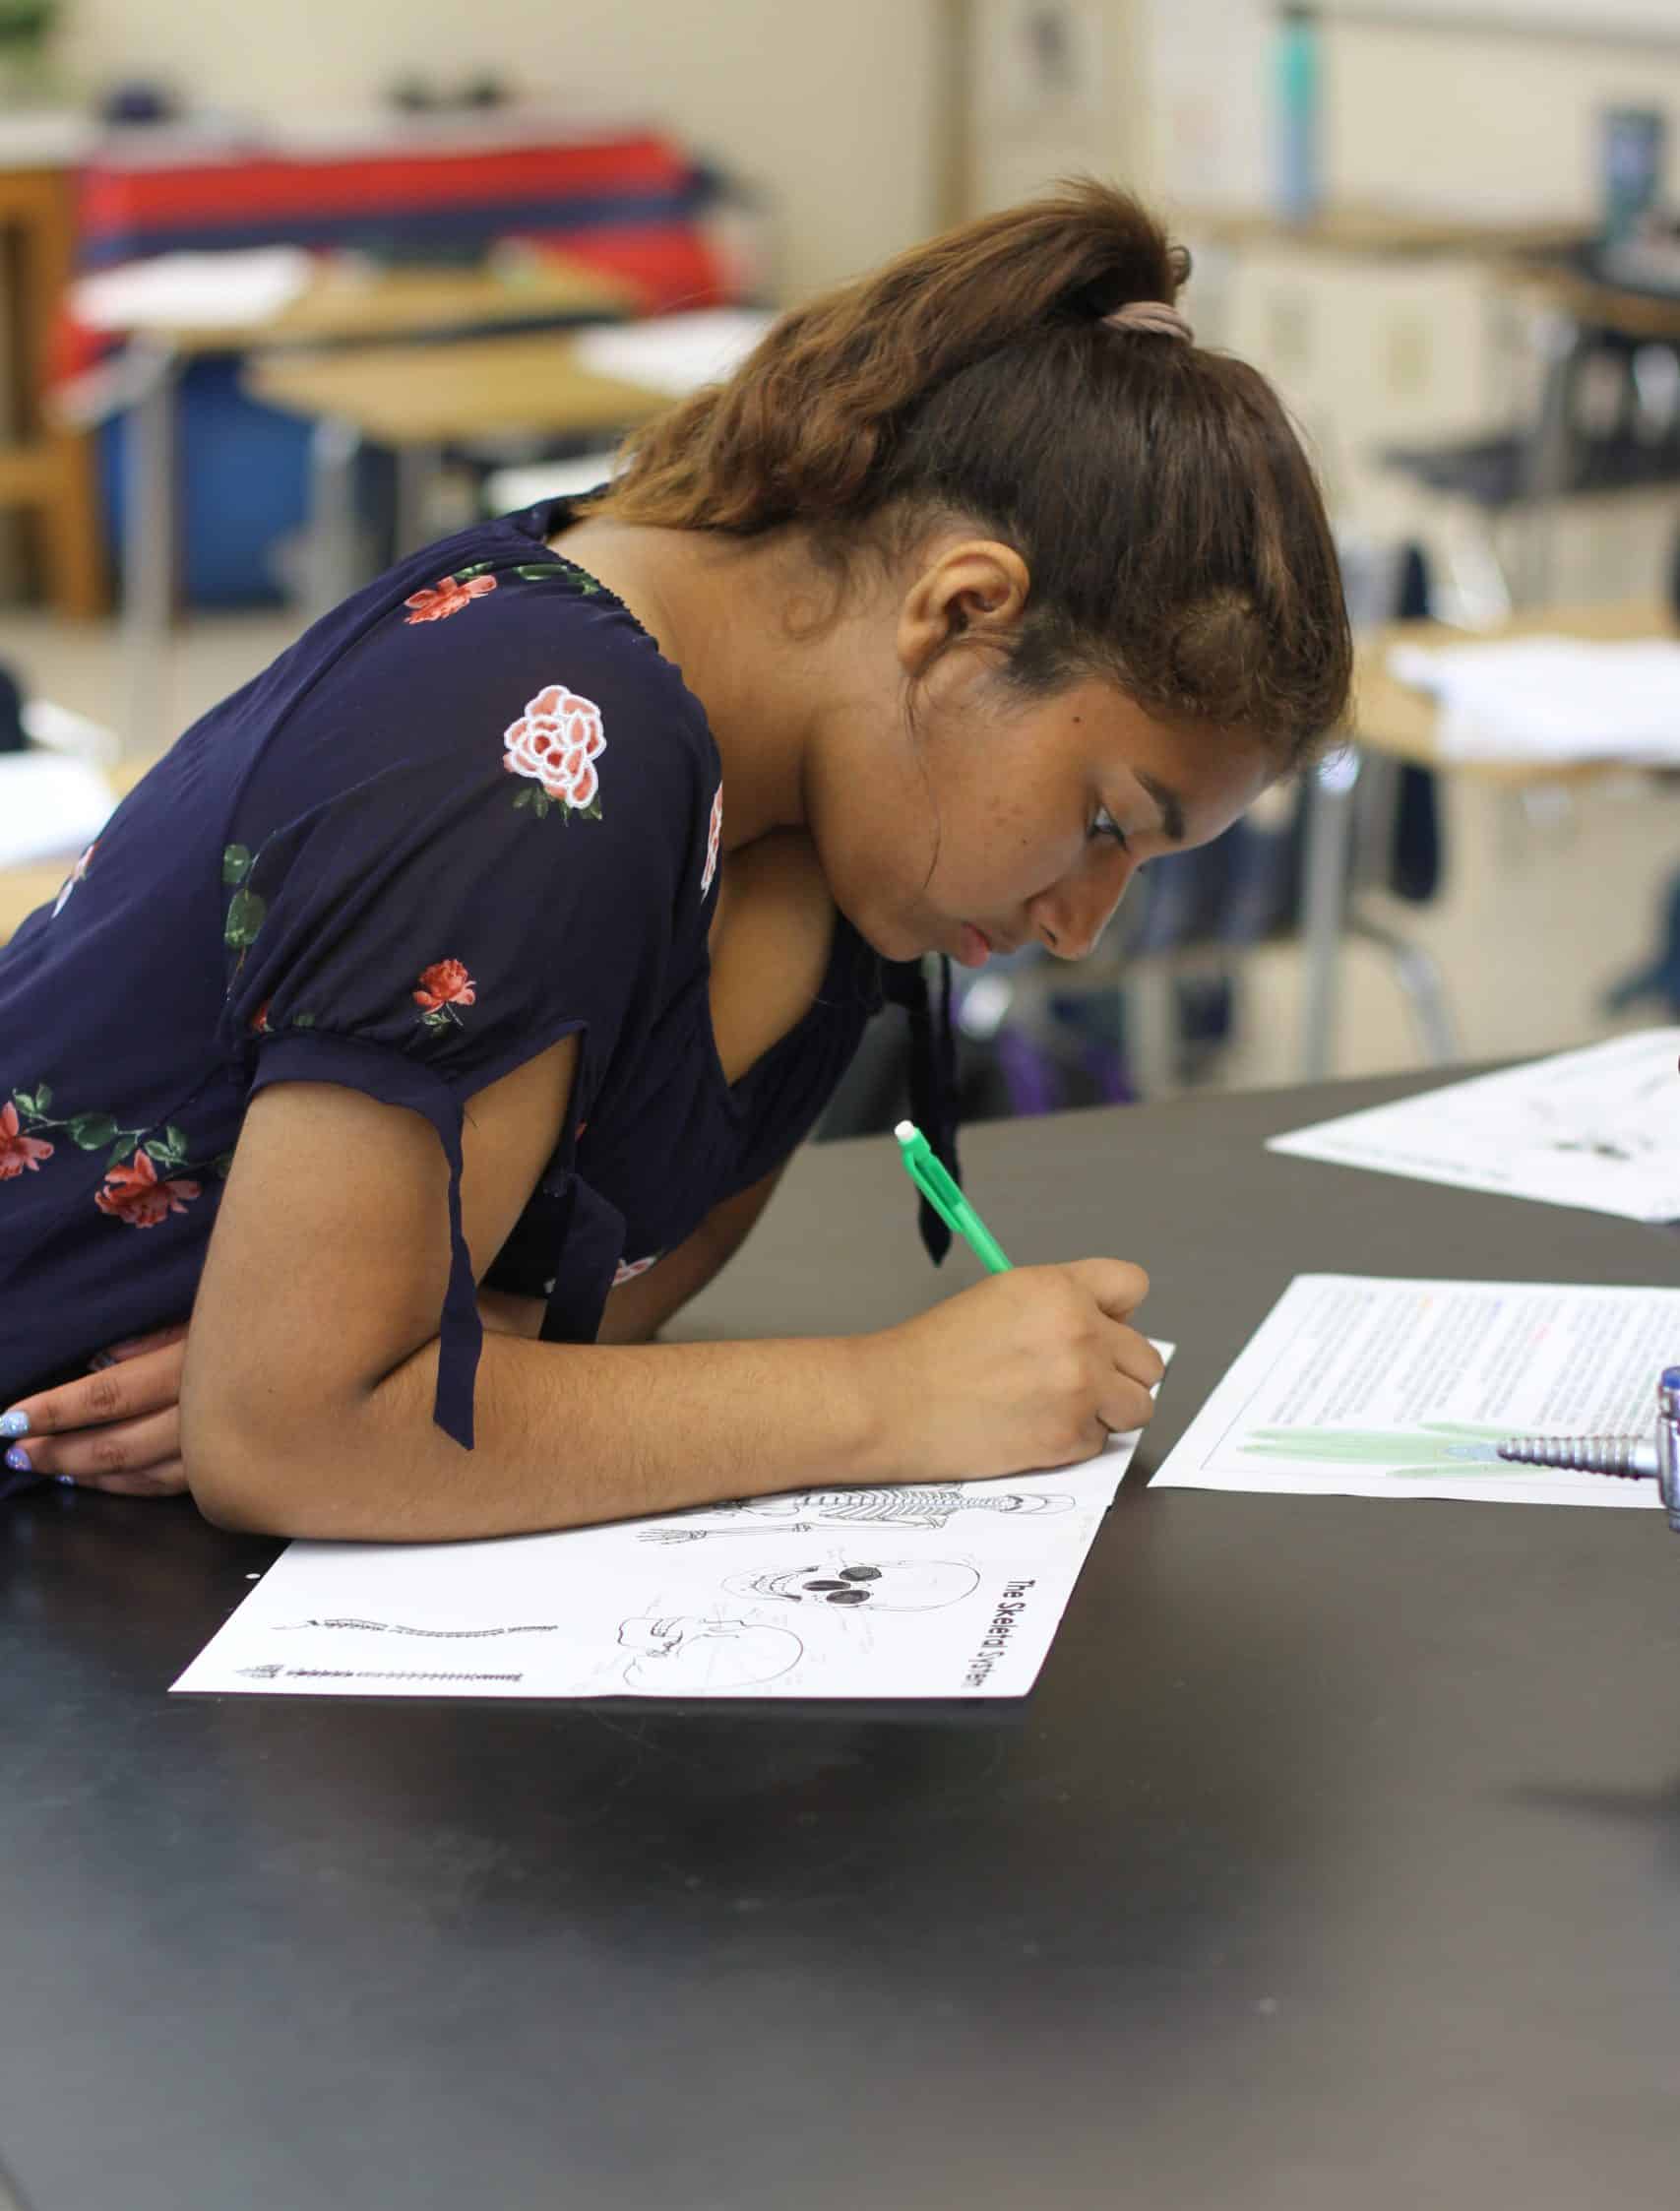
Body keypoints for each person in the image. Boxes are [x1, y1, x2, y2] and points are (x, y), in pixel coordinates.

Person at [0, 182, 1350, 1538]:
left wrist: (412, 1385)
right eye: (1108, 823)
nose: (1081, 927)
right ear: (962, 613)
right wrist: (890, 1397)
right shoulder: (543, 746)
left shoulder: (841, 818)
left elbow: (578, 1309)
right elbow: (292, 1435)